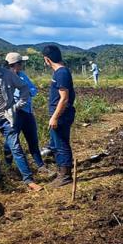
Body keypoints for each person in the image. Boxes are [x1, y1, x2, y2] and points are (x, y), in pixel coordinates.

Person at [0, 54, 42, 191]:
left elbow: (24, 88)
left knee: (15, 148)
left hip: (6, 118)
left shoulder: (6, 75)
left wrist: (17, 106)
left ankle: (28, 180)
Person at [2, 53, 53, 178]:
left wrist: (27, 92)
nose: (23, 65)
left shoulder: (22, 75)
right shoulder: (4, 78)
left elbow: (33, 89)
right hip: (14, 114)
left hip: (27, 112)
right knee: (10, 143)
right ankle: (8, 167)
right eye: (21, 63)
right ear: (15, 64)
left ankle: (40, 166)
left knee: (33, 140)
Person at [43, 45, 76, 187]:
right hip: (59, 114)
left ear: (47, 59)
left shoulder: (61, 73)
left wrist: (55, 117)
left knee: (61, 144)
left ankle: (65, 176)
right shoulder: (59, 72)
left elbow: (64, 98)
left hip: (61, 115)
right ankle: (62, 171)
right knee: (57, 144)